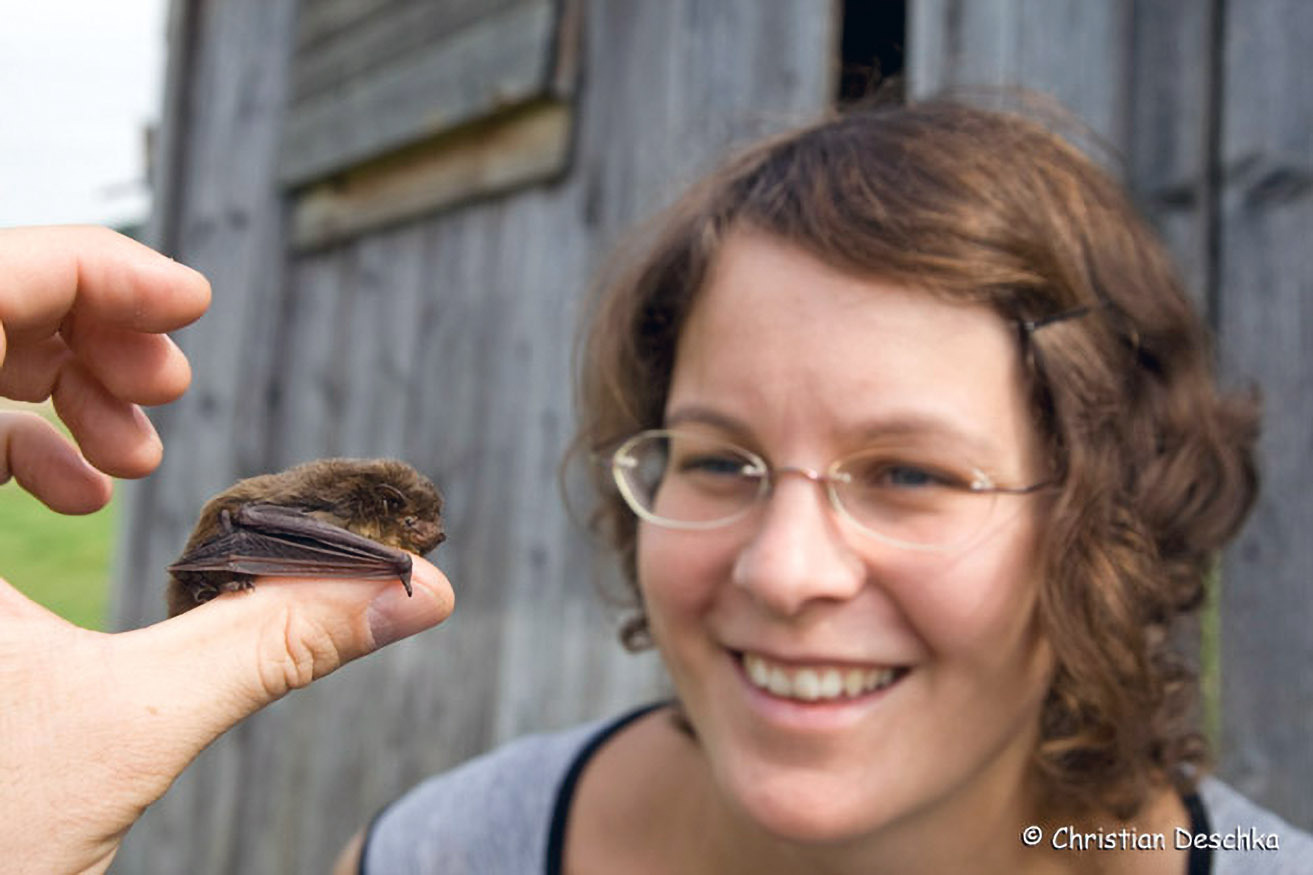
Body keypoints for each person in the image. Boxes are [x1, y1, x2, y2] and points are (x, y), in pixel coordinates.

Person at [345, 100, 1313, 873]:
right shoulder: (444, 852)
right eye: (719, 461)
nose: (783, 571)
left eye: (908, 473)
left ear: (1111, 520)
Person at [0, 226, 454, 874]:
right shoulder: (343, 515)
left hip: (242, 541)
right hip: (226, 546)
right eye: (415, 523)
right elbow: (247, 520)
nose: (428, 537)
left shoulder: (347, 525)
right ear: (382, 507)